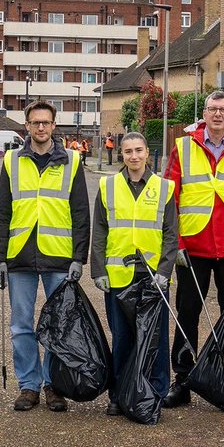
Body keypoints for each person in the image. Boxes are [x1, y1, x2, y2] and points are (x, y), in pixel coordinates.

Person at [161, 90, 224, 408]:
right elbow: (170, 198)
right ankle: (183, 380)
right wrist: (175, 243)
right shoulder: (183, 147)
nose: (217, 114)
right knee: (187, 314)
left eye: (223, 110)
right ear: (204, 113)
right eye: (212, 109)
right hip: (193, 248)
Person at [0, 100, 90, 413]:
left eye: (45, 123)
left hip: (59, 258)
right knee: (21, 325)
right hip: (19, 255)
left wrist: (79, 257)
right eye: (35, 123)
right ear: (27, 126)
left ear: (53, 125)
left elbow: (80, 212)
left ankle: (53, 385)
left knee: (58, 327)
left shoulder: (72, 161)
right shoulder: (11, 161)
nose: (40, 128)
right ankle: (29, 385)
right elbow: (3, 211)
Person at [90, 132, 177, 417]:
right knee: (123, 337)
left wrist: (165, 270)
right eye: (128, 151)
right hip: (118, 274)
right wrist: (98, 269)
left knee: (156, 338)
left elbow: (170, 234)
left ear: (147, 153)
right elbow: (100, 230)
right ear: (122, 155)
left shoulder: (164, 187)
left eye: (139, 150)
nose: (134, 156)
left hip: (153, 276)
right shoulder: (108, 186)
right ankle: (118, 395)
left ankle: (156, 391)